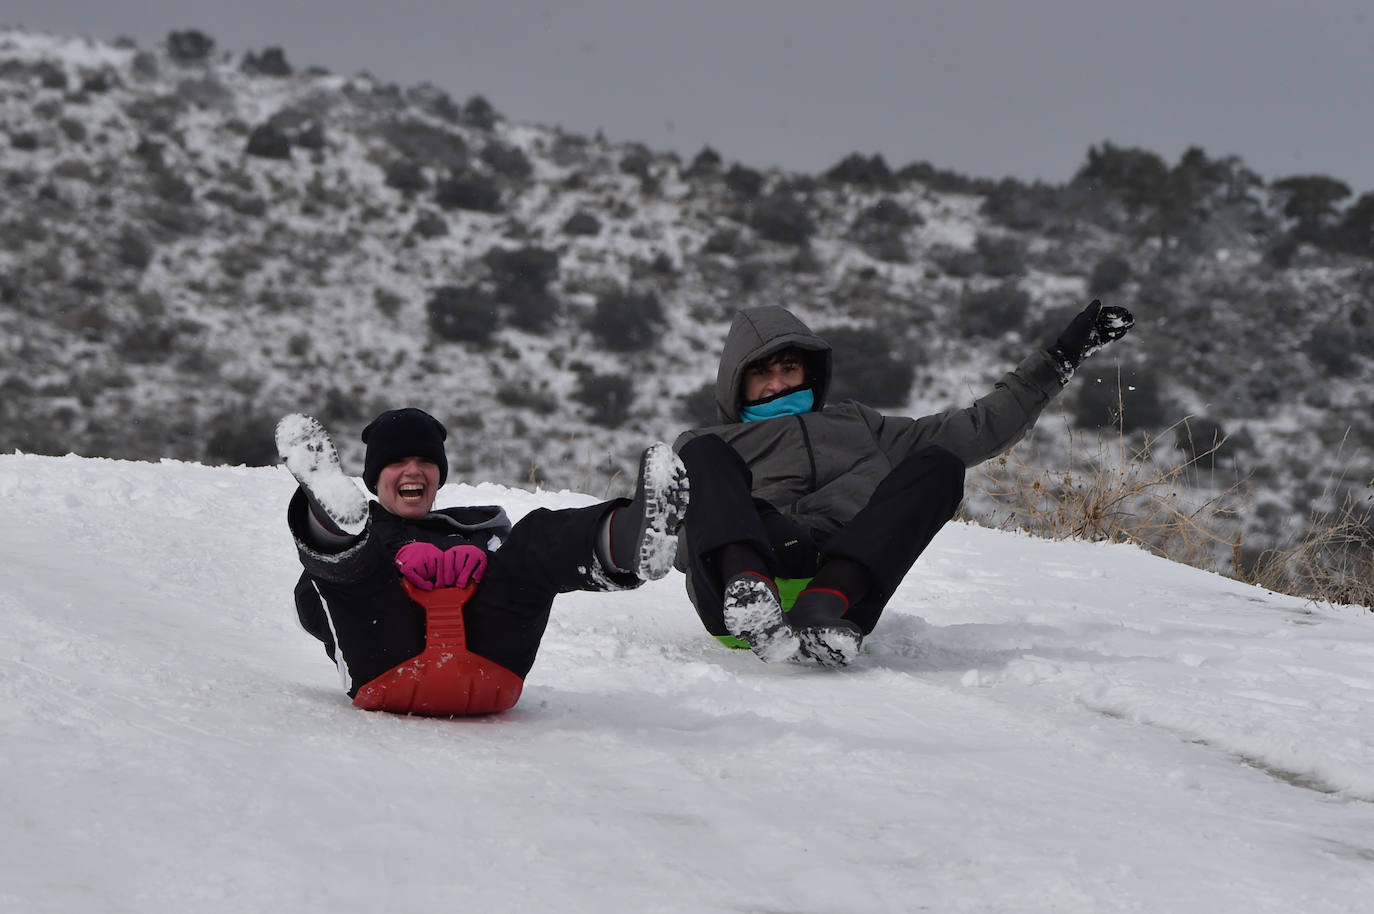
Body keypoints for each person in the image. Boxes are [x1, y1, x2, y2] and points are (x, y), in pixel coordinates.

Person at [674, 300, 1134, 667]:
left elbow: (974, 430)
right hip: (736, 593)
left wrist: (1059, 360)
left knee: (940, 464)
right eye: (761, 372)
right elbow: (676, 539)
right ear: (736, 379)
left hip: (841, 593)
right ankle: (751, 591)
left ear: (808, 373)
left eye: (788, 368)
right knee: (706, 461)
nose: (777, 383)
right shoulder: (708, 444)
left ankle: (822, 605)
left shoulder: (858, 426)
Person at [277, 407, 689, 714]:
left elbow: (516, 587)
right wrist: (390, 564)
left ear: (439, 474)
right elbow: (314, 606)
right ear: (373, 479)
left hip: (490, 660)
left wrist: (483, 561)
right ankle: (326, 519)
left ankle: (630, 538)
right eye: (397, 462)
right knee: (350, 566)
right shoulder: (370, 534)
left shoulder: (478, 527)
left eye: (425, 461)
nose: (413, 471)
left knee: (537, 537)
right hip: (386, 658)